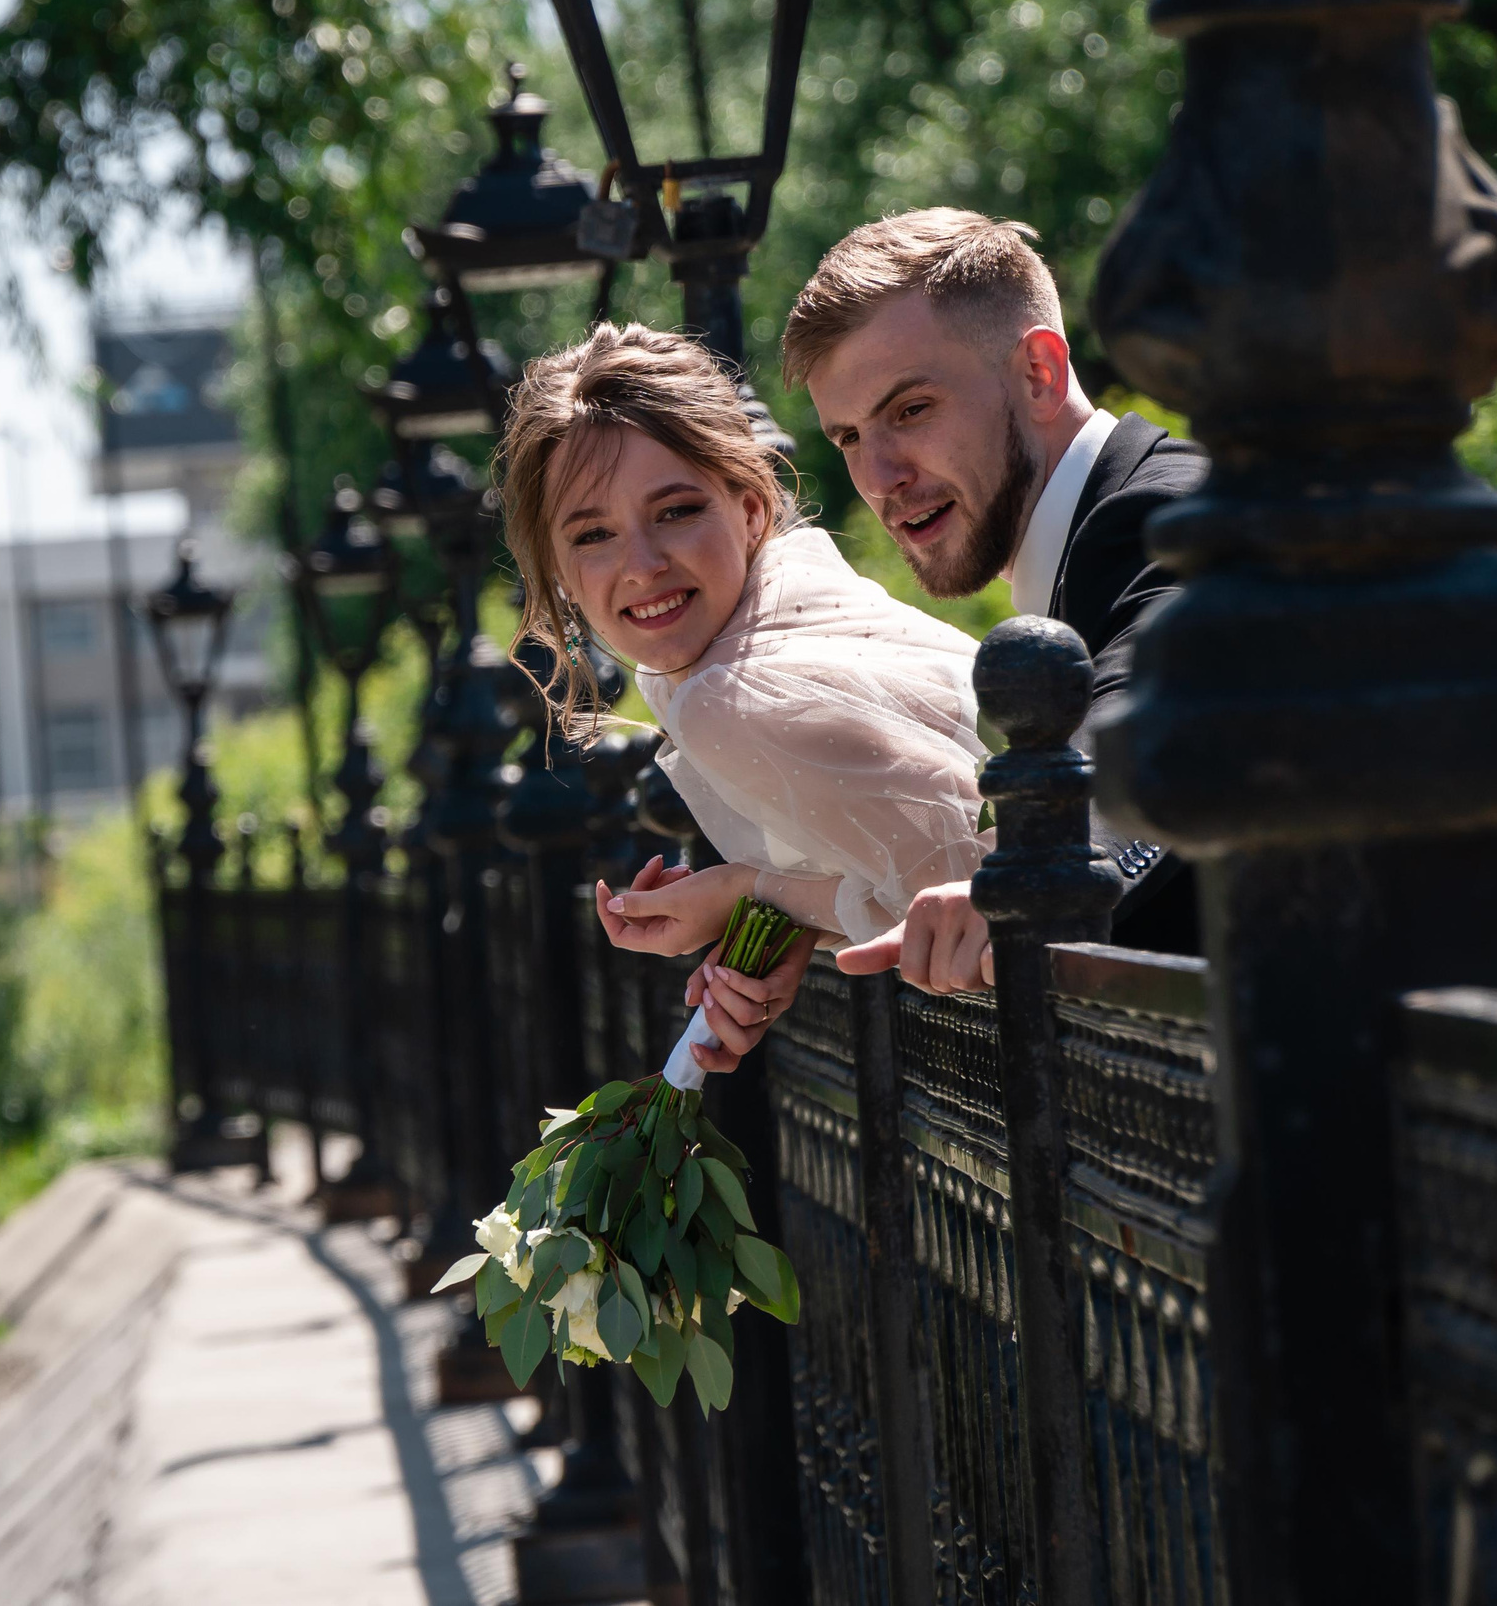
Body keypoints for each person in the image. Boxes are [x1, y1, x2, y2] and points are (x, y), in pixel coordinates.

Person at [497, 322, 991, 1073]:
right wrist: (783, 919)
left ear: (752, 510)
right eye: (594, 534)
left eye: (676, 512)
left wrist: (752, 890)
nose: (642, 565)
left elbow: (959, 897)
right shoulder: (791, 592)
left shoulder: (725, 696)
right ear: (562, 573)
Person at [781, 208, 1207, 998]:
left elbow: (1153, 729)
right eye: (847, 438)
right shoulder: (1090, 544)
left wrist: (1031, 879)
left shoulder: (1168, 522)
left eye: (910, 411)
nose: (879, 476)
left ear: (1039, 373)